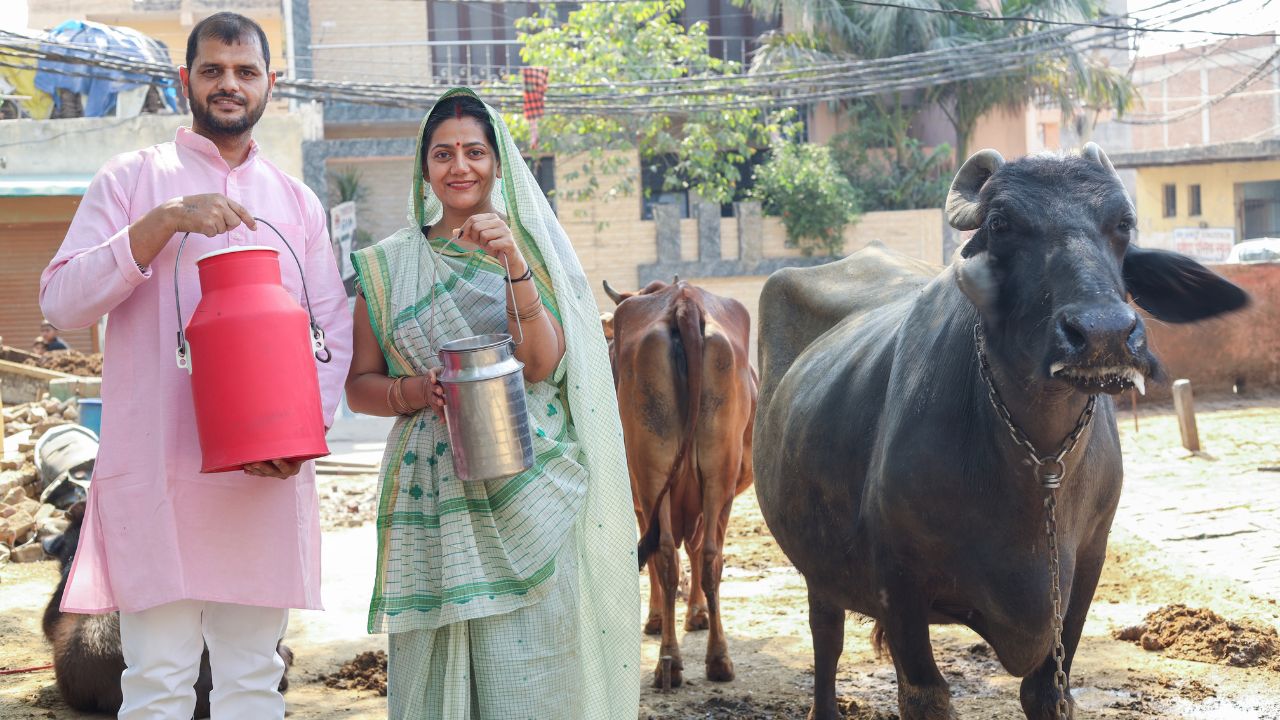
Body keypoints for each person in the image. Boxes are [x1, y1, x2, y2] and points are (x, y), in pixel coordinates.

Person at [39, 13, 352, 719]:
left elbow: (331, 328)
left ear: (271, 83)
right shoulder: (132, 179)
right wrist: (162, 222)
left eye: (245, 72)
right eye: (212, 71)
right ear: (186, 81)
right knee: (157, 681)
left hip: (261, 482)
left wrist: (301, 438)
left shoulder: (295, 204)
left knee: (250, 680)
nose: (229, 85)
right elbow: (61, 304)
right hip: (159, 479)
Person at [345, 88, 640, 719]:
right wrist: (416, 392)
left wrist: (509, 258)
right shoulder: (387, 265)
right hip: (435, 491)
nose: (460, 167)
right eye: (444, 153)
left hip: (528, 483)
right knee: (440, 647)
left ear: (498, 163)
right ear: (423, 168)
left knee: (532, 651)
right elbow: (359, 385)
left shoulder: (532, 254)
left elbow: (540, 364)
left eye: (475, 152)